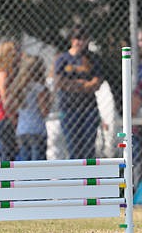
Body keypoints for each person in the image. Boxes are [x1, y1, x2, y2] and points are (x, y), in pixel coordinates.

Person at [54, 25, 102, 159]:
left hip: (88, 109)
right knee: (74, 148)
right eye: (77, 38)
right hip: (69, 108)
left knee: (88, 148)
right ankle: (77, 178)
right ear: (71, 39)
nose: (80, 41)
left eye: (83, 38)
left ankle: (89, 177)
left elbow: (96, 82)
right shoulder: (62, 59)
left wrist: (78, 85)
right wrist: (80, 85)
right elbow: (59, 81)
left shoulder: (92, 58)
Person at [9, 55, 51, 161]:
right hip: (37, 129)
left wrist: (15, 120)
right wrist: (50, 101)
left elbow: (9, 106)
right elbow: (44, 111)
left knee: (25, 161)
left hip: (22, 129)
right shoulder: (39, 88)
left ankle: (25, 178)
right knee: (37, 163)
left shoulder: (20, 87)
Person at [0, 41, 21, 161]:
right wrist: (14, 121)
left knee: (11, 155)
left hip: (8, 119)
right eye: (13, 55)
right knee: (8, 156)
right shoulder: (3, 75)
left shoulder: (8, 74)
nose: (17, 57)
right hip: (7, 120)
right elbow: (6, 101)